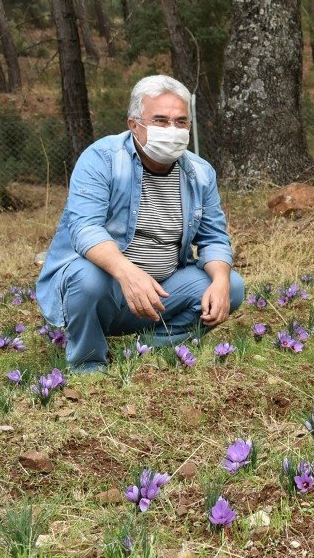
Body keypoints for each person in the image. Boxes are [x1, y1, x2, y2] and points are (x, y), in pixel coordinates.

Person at [36, 75, 244, 373]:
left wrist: (221, 280)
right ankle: (88, 363)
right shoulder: (102, 158)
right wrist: (128, 273)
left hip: (161, 294)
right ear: (134, 124)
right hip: (106, 289)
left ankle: (152, 347)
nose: (171, 130)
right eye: (160, 120)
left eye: (181, 122)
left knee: (231, 286)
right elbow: (84, 228)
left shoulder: (200, 173)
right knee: (87, 277)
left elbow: (214, 239)